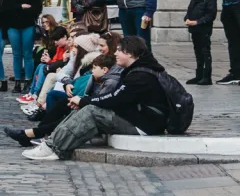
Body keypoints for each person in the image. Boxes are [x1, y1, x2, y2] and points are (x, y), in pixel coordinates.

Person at [22, 36, 170, 161]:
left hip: (144, 124)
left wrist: (84, 101)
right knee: (87, 107)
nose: (116, 53)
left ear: (130, 53)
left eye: (119, 50)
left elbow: (114, 98)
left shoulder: (140, 76)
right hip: (140, 118)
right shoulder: (137, 70)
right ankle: (51, 143)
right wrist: (83, 101)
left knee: (91, 110)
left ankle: (54, 147)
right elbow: (118, 98)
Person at [4, 54, 115, 147]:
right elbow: (69, 77)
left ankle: (29, 134)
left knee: (73, 114)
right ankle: (38, 133)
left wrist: (80, 101)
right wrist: (67, 84)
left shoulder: (109, 82)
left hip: (99, 114)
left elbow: (100, 101)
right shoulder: (92, 72)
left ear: (105, 70)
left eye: (94, 68)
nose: (92, 71)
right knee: (60, 100)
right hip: (88, 104)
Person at [2, 0, 43, 93]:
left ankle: (28, 81)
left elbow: (37, 9)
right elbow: (6, 10)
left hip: (28, 26)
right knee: (16, 55)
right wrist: (21, 7)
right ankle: (17, 82)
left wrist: (21, 9)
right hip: (13, 27)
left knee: (28, 54)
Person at [185, 0, 218, 85]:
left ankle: (206, 77)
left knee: (205, 52)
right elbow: (189, 10)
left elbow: (210, 15)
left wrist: (197, 22)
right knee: (197, 52)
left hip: (203, 30)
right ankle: (198, 75)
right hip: (194, 30)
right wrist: (187, 19)